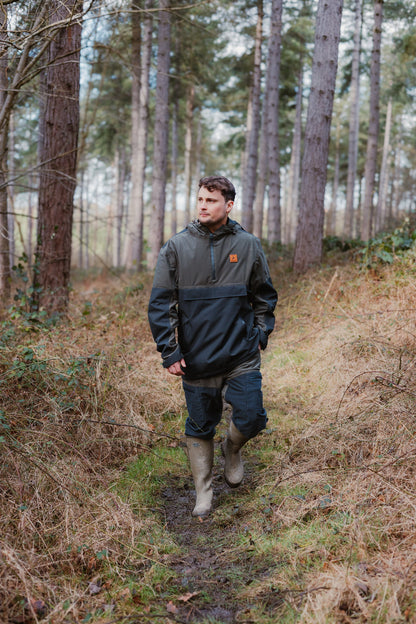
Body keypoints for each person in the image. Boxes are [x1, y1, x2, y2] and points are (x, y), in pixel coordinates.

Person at [148, 175, 277, 517]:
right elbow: (160, 304)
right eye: (200, 199)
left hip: (241, 354)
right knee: (201, 425)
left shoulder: (248, 245)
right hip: (197, 357)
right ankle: (203, 494)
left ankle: (232, 450)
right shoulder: (176, 247)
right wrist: (170, 351)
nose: (203, 205)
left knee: (252, 417)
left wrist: (261, 332)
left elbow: (264, 295)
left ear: (229, 205)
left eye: (211, 200)